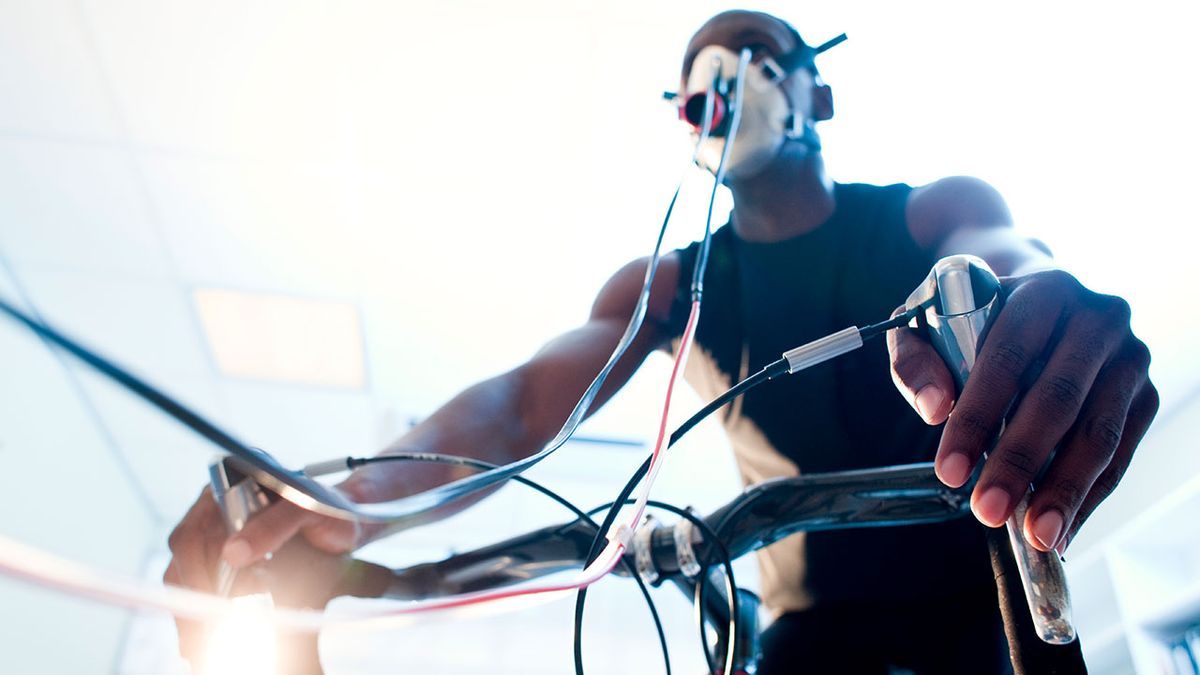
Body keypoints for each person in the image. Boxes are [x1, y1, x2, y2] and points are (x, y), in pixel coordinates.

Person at [165, 9, 1158, 673]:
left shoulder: (926, 213)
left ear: (820, 94)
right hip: (806, 633)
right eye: (708, 75)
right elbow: (521, 408)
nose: (735, 79)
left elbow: (1007, 259)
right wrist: (354, 500)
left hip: (980, 606)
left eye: (766, 56)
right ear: (689, 116)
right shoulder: (669, 285)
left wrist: (1048, 310)